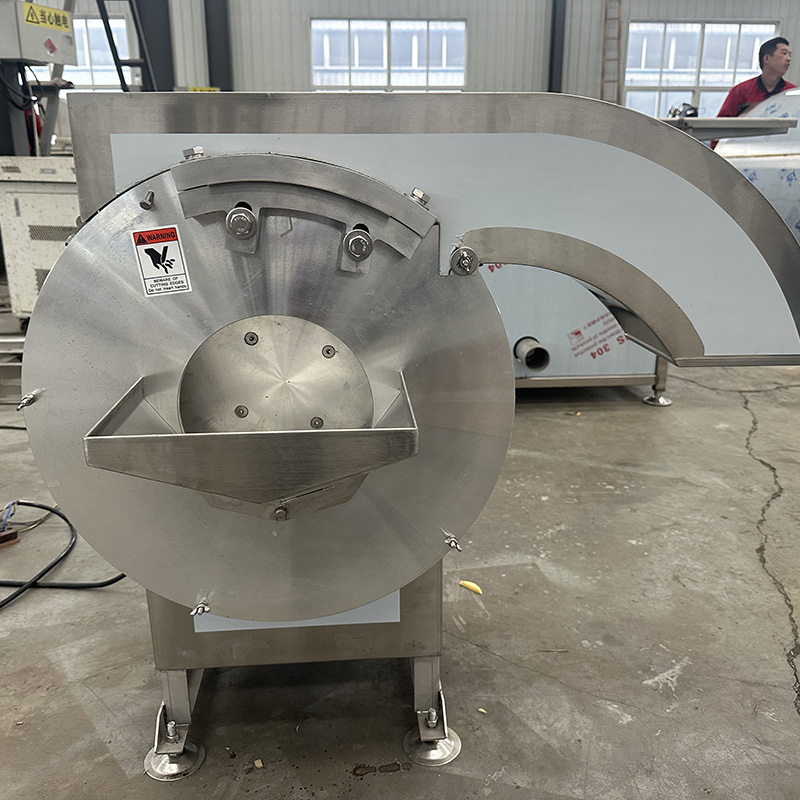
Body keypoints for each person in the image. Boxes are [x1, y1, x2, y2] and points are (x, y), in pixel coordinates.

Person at [717, 36, 794, 118]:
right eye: (784, 53)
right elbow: (721, 122)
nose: (788, 58)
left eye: (790, 55)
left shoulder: (791, 92)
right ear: (767, 58)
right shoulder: (740, 91)